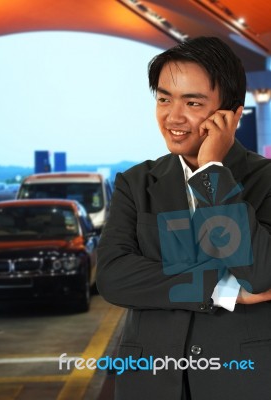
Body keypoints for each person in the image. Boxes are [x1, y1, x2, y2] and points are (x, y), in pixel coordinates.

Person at [96, 36, 271, 400]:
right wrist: (222, 289)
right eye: (163, 99)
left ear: (233, 114)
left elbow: (258, 274)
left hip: (241, 380)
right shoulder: (136, 183)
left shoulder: (266, 181)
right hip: (149, 382)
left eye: (193, 102)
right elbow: (113, 277)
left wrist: (210, 170)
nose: (173, 117)